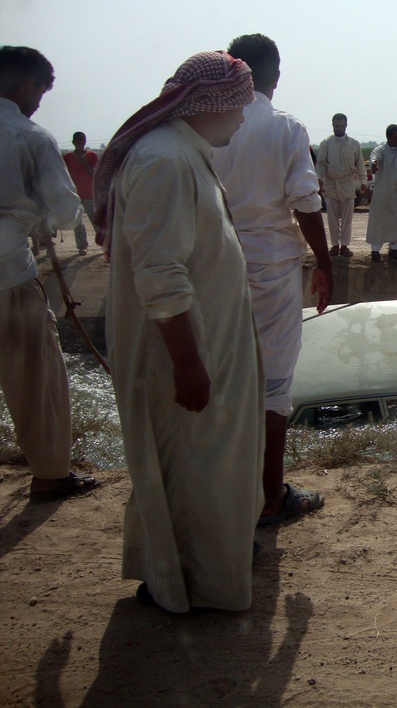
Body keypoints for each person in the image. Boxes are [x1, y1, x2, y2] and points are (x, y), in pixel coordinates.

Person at [94, 51, 263, 613]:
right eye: (238, 106)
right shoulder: (164, 161)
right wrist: (189, 363)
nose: (242, 119)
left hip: (205, 341)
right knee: (199, 465)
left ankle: (174, 574)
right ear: (208, 104)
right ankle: (201, 586)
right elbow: (160, 274)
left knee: (196, 463)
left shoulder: (183, 153)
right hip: (186, 352)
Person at [211, 33, 330, 528]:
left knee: (223, 378)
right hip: (272, 267)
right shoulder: (284, 127)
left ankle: (226, 490)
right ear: (274, 76)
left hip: (215, 262)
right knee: (274, 385)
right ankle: (269, 496)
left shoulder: (205, 125)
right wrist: (326, 263)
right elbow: (305, 200)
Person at [0, 46, 99, 503]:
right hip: (10, 275)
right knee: (35, 378)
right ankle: (50, 474)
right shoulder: (30, 135)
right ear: (25, 84)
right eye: (41, 89)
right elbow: (64, 212)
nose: (40, 100)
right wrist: (33, 211)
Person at [316, 113, 367, 257]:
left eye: (341, 126)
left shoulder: (354, 144)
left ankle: (344, 245)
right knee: (332, 218)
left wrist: (363, 182)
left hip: (347, 184)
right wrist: (319, 179)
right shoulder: (325, 143)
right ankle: (334, 245)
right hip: (330, 184)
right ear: (332, 125)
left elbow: (360, 165)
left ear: (346, 126)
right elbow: (321, 164)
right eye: (336, 126)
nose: (338, 129)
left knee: (347, 218)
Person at [367, 124, 397, 261]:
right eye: (396, 137)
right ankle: (375, 251)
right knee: (379, 223)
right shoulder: (381, 150)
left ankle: (394, 249)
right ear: (388, 137)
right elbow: (375, 158)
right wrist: (374, 164)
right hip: (382, 194)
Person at [63, 131, 99, 255]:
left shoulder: (92, 156)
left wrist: (83, 162)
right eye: (77, 142)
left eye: (82, 142)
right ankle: (82, 245)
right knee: (77, 221)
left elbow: (94, 174)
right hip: (74, 194)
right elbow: (65, 174)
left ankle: (104, 242)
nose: (80, 144)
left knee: (95, 219)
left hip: (89, 193)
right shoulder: (67, 157)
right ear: (73, 142)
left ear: (85, 142)